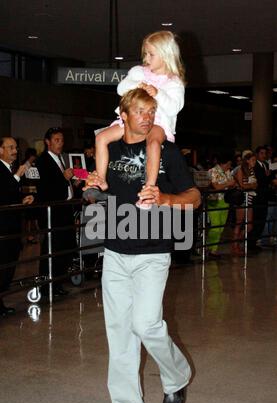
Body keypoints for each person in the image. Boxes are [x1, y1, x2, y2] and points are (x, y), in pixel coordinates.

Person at [84, 88, 200, 403]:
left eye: (152, 112)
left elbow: (194, 199)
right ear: (123, 115)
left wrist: (164, 199)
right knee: (118, 328)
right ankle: (126, 402)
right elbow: (96, 192)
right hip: (116, 251)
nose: (148, 118)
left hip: (153, 252)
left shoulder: (167, 152)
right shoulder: (110, 147)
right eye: (140, 112)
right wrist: (95, 188)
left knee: (146, 324)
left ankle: (176, 377)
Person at [88, 30, 185, 208]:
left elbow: (174, 108)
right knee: (101, 137)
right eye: (145, 53)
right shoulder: (139, 72)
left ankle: (148, 190)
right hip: (131, 121)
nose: (146, 58)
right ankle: (100, 180)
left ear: (166, 55)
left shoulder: (174, 82)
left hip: (159, 122)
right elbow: (121, 88)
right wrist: (136, 86)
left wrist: (158, 94)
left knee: (153, 145)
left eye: (151, 54)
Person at [36, 127, 76, 297]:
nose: (60, 143)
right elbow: (46, 189)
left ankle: (58, 281)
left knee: (64, 247)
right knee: (52, 248)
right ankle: (47, 285)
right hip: (53, 212)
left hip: (64, 210)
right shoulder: (43, 161)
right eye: (57, 140)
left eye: (62, 140)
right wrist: (64, 179)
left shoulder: (60, 159)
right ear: (48, 142)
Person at [0, 137, 34, 316]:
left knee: (9, 265)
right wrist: (17, 176)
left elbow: (9, 195)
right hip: (3, 228)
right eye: (10, 147)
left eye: (15, 147)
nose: (15, 150)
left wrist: (22, 200)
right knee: (3, 266)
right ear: (0, 150)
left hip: (12, 227)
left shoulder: (10, 170)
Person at [207, 153, 236, 258]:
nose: (230, 166)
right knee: (215, 225)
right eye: (229, 164)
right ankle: (210, 247)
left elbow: (233, 183)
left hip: (225, 200)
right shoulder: (212, 171)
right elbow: (216, 186)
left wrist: (230, 184)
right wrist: (228, 184)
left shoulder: (227, 172)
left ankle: (213, 249)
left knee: (221, 226)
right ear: (224, 163)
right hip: (214, 201)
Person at [232, 150, 257, 256]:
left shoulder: (251, 170)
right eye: (252, 160)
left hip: (250, 198)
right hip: (242, 199)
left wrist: (252, 185)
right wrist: (251, 186)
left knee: (249, 225)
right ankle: (235, 246)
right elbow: (242, 185)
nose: (254, 162)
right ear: (247, 161)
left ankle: (237, 242)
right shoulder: (240, 169)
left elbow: (255, 183)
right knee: (239, 223)